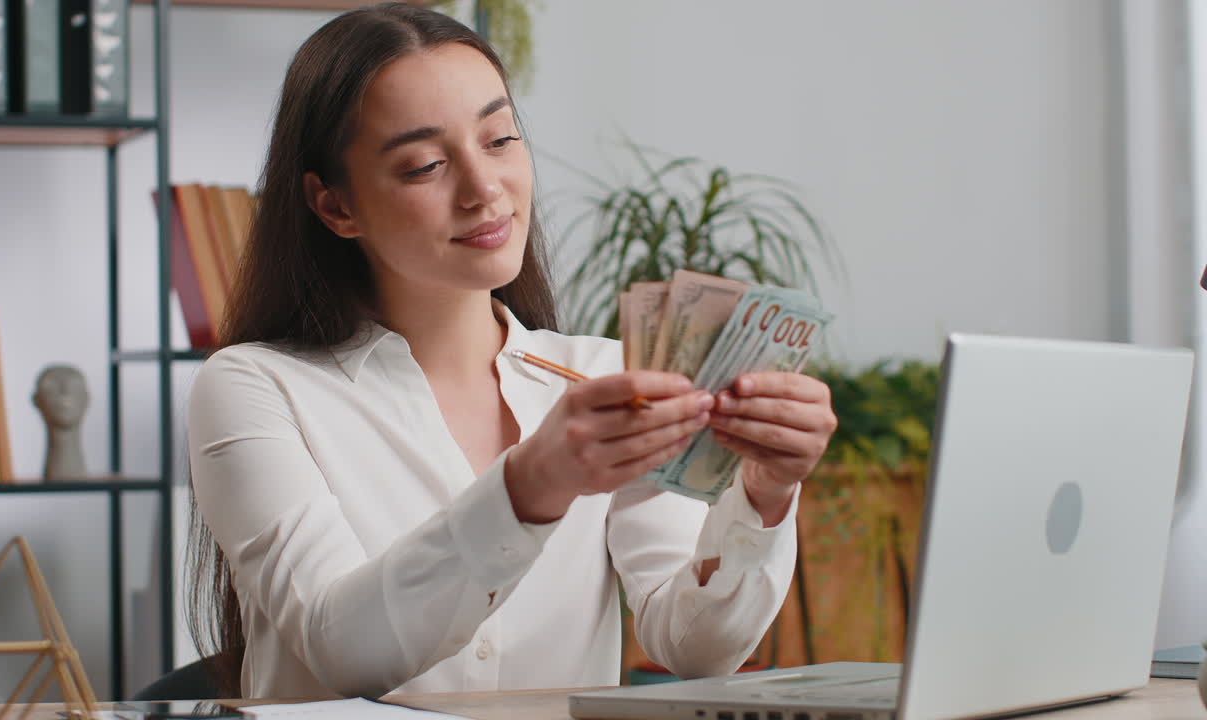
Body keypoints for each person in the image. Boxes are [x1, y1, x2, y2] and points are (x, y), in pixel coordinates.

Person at [186, 2, 837, 701]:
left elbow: (696, 648)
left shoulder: (604, 376)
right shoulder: (254, 388)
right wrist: (533, 485)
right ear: (335, 206)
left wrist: (763, 496)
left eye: (499, 139)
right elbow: (344, 653)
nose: (484, 189)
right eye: (426, 164)